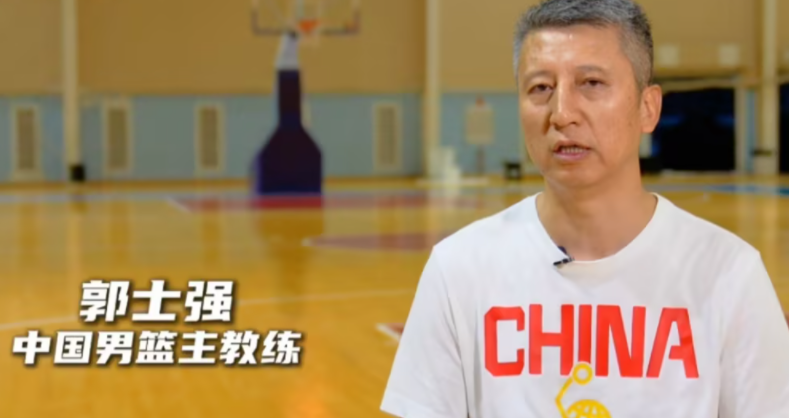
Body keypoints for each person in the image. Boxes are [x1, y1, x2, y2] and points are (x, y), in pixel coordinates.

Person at [380, 0, 789, 417]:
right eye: (541, 88)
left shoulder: (729, 275)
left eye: (591, 83)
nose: (562, 114)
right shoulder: (458, 269)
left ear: (648, 108)